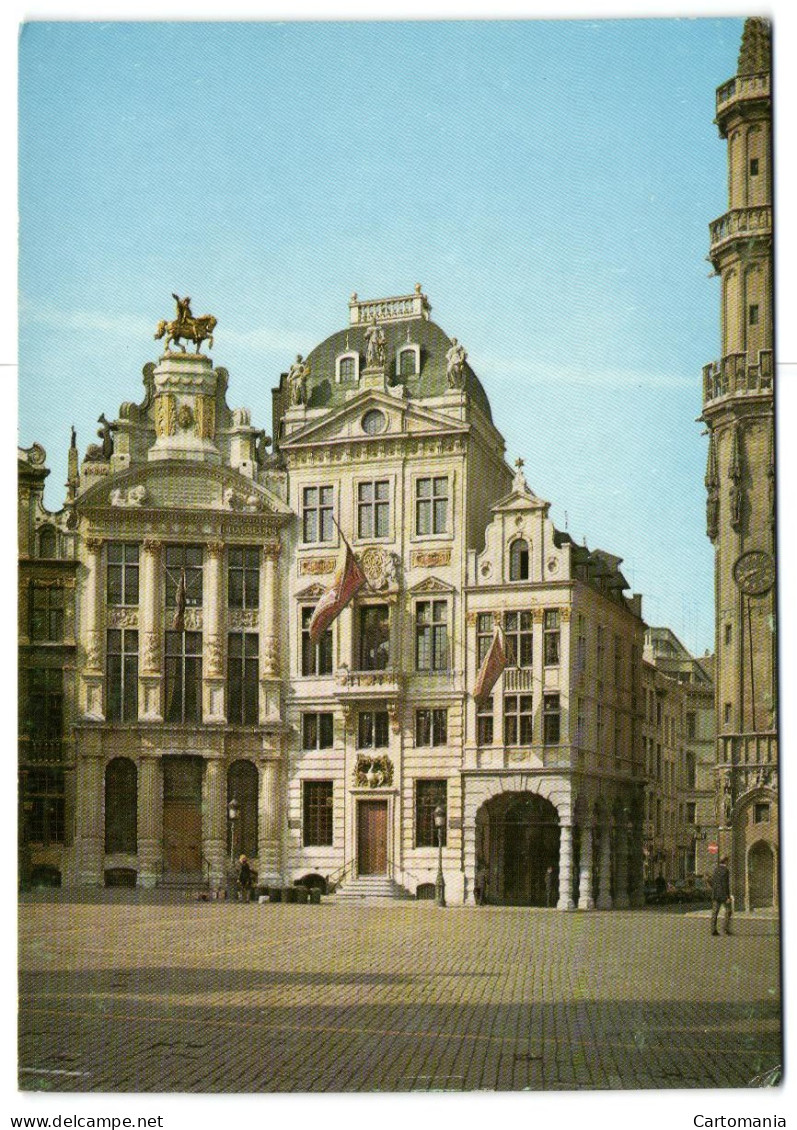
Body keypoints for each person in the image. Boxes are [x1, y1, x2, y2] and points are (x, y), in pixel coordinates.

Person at [710, 856, 732, 936]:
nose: (728, 863)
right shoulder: (726, 871)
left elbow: (713, 882)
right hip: (723, 895)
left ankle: (713, 930)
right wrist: (728, 897)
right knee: (728, 911)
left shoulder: (715, 870)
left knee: (715, 913)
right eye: (728, 861)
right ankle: (725, 929)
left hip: (716, 894)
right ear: (726, 861)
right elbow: (725, 884)